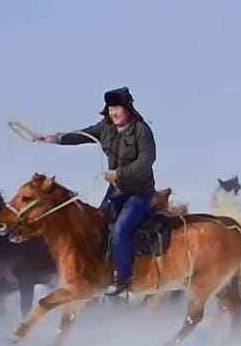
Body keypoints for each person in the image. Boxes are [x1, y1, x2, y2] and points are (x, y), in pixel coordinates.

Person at [38, 87, 155, 296]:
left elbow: (147, 161)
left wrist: (119, 174)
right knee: (97, 225)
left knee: (119, 231)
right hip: (116, 192)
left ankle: (123, 278)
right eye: (111, 108)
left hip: (138, 193)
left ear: (128, 108)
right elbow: (82, 136)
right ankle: (99, 273)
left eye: (118, 108)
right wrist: (56, 138)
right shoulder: (106, 127)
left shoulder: (142, 131)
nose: (114, 113)